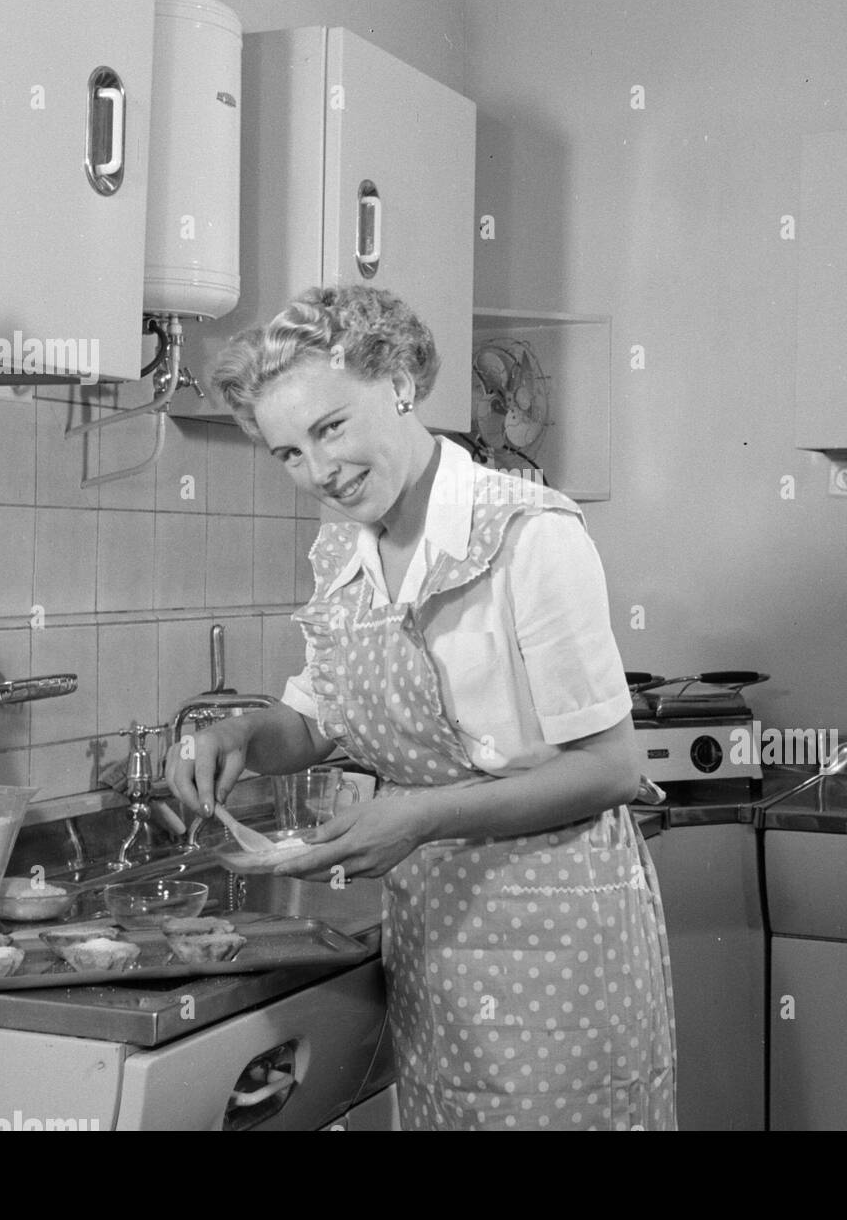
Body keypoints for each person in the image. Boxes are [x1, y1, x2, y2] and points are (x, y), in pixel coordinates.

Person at [165, 284, 676, 1131]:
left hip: (561, 934)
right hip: (436, 934)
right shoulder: (341, 547)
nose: (319, 471)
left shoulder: (530, 536)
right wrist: (244, 734)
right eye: (288, 453)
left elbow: (612, 768)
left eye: (330, 428)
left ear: (400, 382)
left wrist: (418, 817)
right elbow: (318, 721)